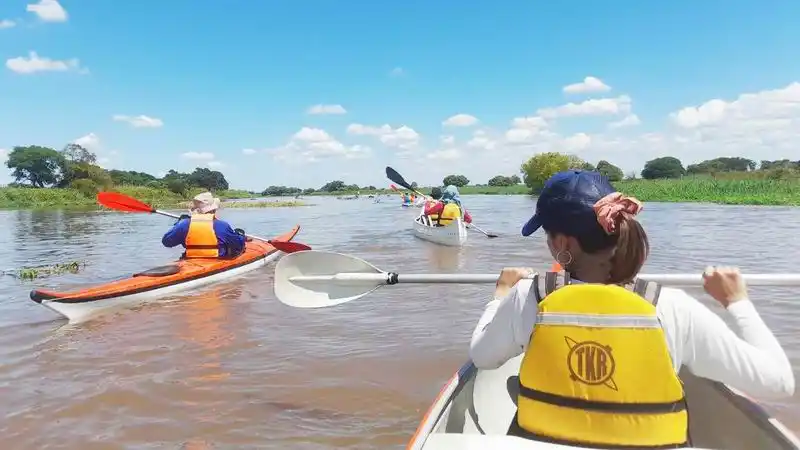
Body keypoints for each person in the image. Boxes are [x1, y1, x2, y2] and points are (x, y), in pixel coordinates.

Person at [469, 170, 794, 449]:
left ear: (564, 244)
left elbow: (483, 357)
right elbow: (777, 383)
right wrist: (737, 302)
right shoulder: (672, 307)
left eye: (547, 235)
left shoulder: (527, 296)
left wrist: (499, 295)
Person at [162, 192, 248, 259]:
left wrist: (179, 223)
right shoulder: (222, 225)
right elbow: (237, 247)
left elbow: (167, 242)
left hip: (191, 259)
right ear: (213, 210)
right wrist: (240, 236)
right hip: (218, 260)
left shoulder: (184, 224)